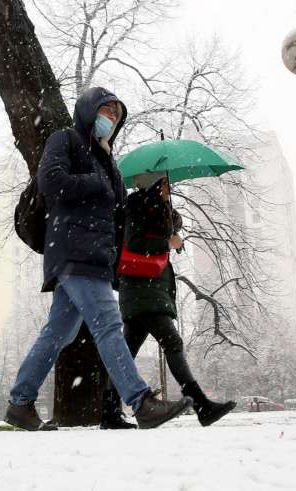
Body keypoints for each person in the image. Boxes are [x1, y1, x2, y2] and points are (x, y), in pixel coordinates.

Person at [4, 87, 192, 431]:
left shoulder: (105, 155)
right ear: (89, 111)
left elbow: (118, 206)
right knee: (107, 323)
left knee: (58, 333)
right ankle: (140, 401)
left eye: (117, 116)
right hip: (74, 248)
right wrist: (96, 181)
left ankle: (20, 403)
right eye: (106, 111)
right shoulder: (65, 139)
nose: (111, 119)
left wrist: (155, 209)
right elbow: (51, 181)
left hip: (94, 256)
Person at [101, 174, 237, 429]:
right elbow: (136, 242)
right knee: (172, 342)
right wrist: (167, 241)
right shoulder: (136, 205)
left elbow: (168, 227)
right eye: (164, 183)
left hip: (147, 288)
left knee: (126, 352)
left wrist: (171, 217)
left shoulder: (155, 207)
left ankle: (108, 411)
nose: (169, 187)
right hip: (143, 288)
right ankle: (201, 405)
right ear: (153, 184)